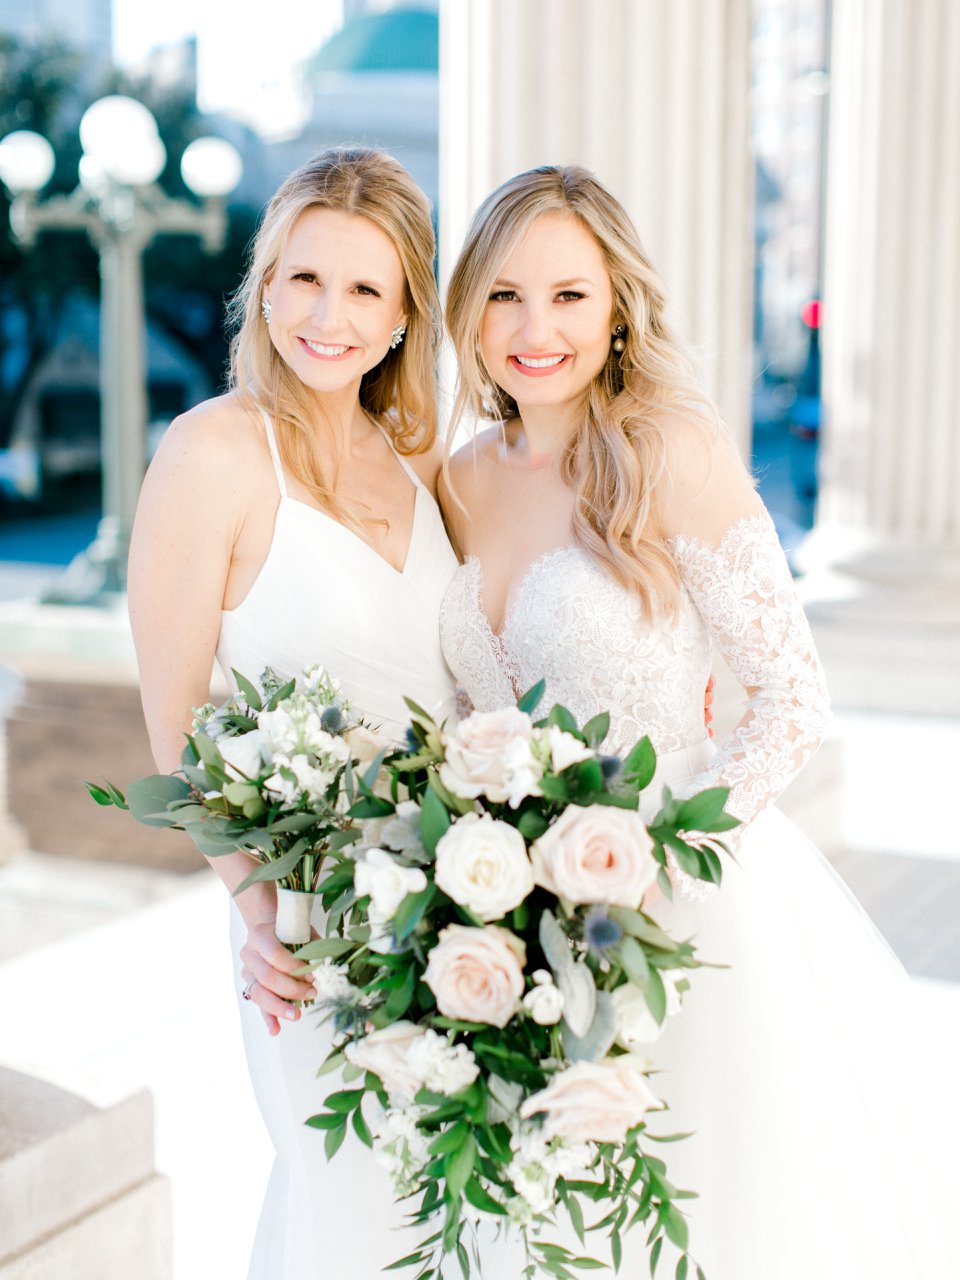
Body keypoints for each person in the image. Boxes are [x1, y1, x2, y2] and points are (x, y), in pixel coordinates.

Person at [439, 165, 956, 1279]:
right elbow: (465, 713)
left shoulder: (668, 450)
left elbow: (791, 697)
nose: (535, 330)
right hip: (510, 917)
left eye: (569, 296)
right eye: (505, 295)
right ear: (468, 307)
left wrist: (657, 864)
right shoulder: (457, 480)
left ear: (618, 306)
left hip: (681, 898)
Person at [128, 147, 460, 1279]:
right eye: (305, 277)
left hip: (462, 895)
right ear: (264, 286)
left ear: (404, 313)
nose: (329, 315)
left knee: (455, 1212)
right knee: (352, 1205)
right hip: (312, 918)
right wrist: (259, 906)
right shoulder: (212, 451)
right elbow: (175, 724)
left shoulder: (420, 459)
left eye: (365, 288)